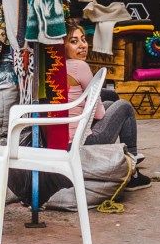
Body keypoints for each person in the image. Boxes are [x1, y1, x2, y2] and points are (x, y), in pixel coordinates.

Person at [63, 19, 150, 190]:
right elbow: (99, 114)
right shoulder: (79, 66)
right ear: (63, 46)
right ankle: (132, 172)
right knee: (124, 107)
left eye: (83, 39)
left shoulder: (58, 66)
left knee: (110, 98)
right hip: (80, 142)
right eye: (74, 41)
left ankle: (119, 158)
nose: (82, 45)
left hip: (65, 137)